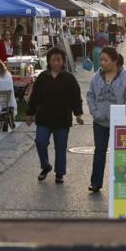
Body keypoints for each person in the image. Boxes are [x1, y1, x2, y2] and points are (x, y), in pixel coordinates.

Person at [25, 47, 84, 183]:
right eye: (53, 60)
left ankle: (60, 173)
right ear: (49, 61)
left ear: (63, 61)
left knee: (60, 147)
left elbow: (75, 97)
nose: (56, 63)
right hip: (44, 118)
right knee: (40, 143)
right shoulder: (42, 77)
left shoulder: (69, 78)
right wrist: (30, 113)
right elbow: (35, 97)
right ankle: (45, 166)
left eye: (59, 60)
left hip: (62, 119)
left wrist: (78, 114)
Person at [85, 46, 126, 193]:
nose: (102, 63)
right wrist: (95, 112)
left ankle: (121, 182)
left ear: (114, 60)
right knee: (99, 151)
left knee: (120, 153)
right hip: (100, 122)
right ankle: (95, 183)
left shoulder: (125, 76)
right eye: (100, 60)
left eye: (105, 60)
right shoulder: (96, 76)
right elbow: (90, 96)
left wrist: (123, 113)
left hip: (118, 123)